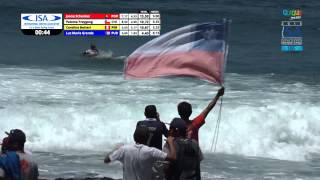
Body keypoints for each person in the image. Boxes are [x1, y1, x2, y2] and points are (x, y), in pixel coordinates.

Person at [104, 126, 176, 180]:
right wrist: (170, 142)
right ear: (148, 138)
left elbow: (106, 160)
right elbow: (173, 158)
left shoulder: (124, 149)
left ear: (134, 137)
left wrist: (116, 149)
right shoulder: (151, 151)